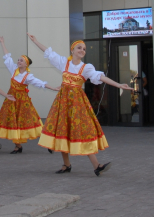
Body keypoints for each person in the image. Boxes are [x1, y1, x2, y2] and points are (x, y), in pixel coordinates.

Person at [28, 36, 128, 175]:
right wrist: (36, 41)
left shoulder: (86, 68)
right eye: (79, 48)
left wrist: (117, 84)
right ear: (72, 50)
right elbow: (49, 53)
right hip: (63, 103)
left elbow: (100, 77)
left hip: (77, 104)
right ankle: (67, 165)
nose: (82, 50)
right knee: (63, 130)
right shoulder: (64, 63)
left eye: (84, 49)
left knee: (82, 130)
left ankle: (96, 165)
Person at [0, 35, 59, 154]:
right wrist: (2, 43)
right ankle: (17, 146)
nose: (18, 61)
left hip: (23, 102)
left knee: (32, 121)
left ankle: (48, 143)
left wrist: (53, 88)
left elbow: (40, 83)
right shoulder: (14, 70)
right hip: (11, 99)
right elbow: (7, 57)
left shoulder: (28, 76)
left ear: (26, 64)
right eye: (18, 60)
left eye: (21, 60)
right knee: (13, 121)